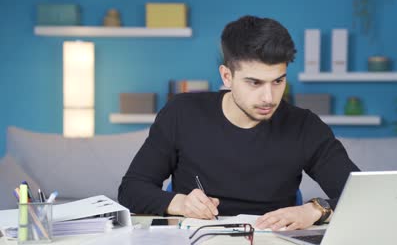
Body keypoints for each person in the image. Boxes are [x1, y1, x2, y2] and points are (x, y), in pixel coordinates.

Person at [118, 15, 359, 230]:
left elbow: (364, 196)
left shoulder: (304, 125)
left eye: (278, 82)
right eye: (255, 83)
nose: (269, 97)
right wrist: (180, 202)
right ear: (227, 76)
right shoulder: (182, 113)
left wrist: (315, 210)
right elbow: (132, 189)